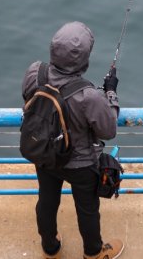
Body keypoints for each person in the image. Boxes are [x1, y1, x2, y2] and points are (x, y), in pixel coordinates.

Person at [22, 21, 124, 259]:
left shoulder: (34, 72)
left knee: (47, 200)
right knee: (87, 210)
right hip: (80, 165)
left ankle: (50, 247)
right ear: (84, 60)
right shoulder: (89, 96)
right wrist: (110, 93)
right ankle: (93, 253)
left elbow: (29, 100)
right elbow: (108, 130)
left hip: (45, 152)